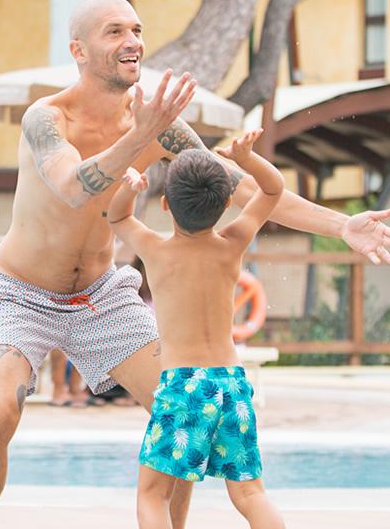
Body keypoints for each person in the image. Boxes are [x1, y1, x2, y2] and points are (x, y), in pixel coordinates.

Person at [0, 0, 390, 529]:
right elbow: (73, 189)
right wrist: (141, 136)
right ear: (78, 50)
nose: (132, 42)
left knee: (181, 412)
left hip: (102, 296)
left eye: (137, 30)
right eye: (114, 32)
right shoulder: (47, 119)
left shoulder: (161, 125)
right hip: (20, 292)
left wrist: (341, 225)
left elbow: (242, 189)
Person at [108, 128, 284, 528]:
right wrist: (247, 158)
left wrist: (132, 187)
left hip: (184, 385)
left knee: (153, 496)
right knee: (250, 492)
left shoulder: (155, 249)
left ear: (167, 204)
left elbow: (117, 216)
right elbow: (273, 191)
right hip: (232, 384)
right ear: (225, 204)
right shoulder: (233, 241)